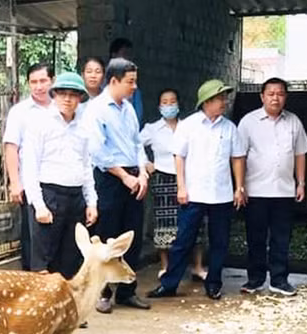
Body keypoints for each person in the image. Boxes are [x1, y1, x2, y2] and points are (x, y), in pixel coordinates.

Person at [148, 79, 245, 301]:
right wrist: (181, 186)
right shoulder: (188, 126)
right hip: (194, 193)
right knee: (183, 240)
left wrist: (239, 187)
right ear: (207, 101)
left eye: (224, 98)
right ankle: (169, 284)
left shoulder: (229, 128)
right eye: (220, 98)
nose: (224, 102)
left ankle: (214, 283)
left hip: (221, 194)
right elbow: (178, 157)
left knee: (219, 242)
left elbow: (237, 158)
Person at [83, 57, 151, 314]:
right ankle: (103, 292)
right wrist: (124, 176)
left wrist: (142, 172)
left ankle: (127, 291)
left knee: (130, 234)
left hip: (134, 177)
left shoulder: (129, 109)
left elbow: (137, 144)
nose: (134, 87)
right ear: (114, 81)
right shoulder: (96, 109)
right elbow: (98, 151)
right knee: (107, 235)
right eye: (130, 82)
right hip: (111, 179)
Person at [237, 77, 307, 296]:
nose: (275, 98)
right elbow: (239, 156)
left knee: (282, 238)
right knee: (256, 238)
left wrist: (301, 183)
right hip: (256, 190)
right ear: (262, 96)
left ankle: (279, 280)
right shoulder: (248, 122)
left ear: (285, 97)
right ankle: (255, 279)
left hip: (284, 190)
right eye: (270, 93)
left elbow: (300, 154)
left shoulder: (293, 121)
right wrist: (240, 186)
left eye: (280, 93)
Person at [21, 72, 98, 279]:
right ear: (53, 95)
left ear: (80, 98)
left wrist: (91, 202)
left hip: (75, 198)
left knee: (70, 262)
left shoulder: (83, 127)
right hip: (49, 196)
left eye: (73, 95)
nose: (67, 99)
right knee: (43, 265)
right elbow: (30, 167)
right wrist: (39, 205)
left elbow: (86, 166)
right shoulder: (40, 123)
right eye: (62, 94)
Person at [140, 88, 207, 281]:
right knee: (164, 224)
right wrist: (146, 164)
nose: (169, 105)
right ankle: (165, 266)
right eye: (165, 102)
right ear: (159, 106)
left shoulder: (189, 126)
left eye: (172, 101)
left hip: (188, 178)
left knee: (195, 222)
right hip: (163, 178)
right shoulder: (152, 129)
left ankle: (197, 266)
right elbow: (134, 144)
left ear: (179, 104)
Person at [3, 62, 54, 270]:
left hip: (57, 182)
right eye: (33, 82)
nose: (39, 86)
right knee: (33, 241)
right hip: (31, 185)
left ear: (53, 81)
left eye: (43, 81)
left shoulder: (60, 108)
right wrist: (15, 183)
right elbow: (11, 147)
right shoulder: (20, 112)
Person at [109, 38, 144, 125]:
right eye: (125, 54)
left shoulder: (133, 85)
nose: (128, 58)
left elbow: (138, 113)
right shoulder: (103, 81)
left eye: (130, 55)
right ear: (114, 55)